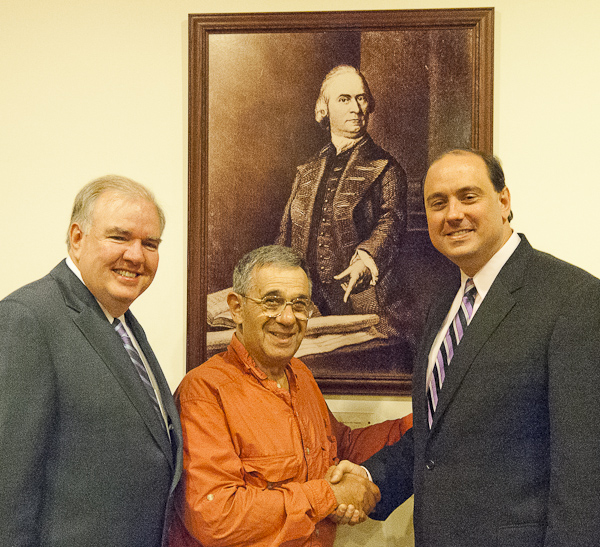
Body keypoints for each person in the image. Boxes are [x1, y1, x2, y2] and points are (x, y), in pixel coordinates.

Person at [334, 149, 600, 546]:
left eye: (468, 196)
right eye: (437, 203)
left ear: (504, 201)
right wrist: (369, 478)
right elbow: (436, 439)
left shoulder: (573, 298)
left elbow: (584, 469)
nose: (452, 214)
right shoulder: (445, 301)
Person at [168, 245, 412, 547]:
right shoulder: (203, 392)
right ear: (236, 308)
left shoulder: (300, 375)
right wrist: (330, 495)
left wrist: (423, 425)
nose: (287, 318)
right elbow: (215, 516)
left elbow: (342, 446)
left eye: (299, 305)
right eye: (272, 301)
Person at [0, 175, 183, 546]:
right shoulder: (29, 318)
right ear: (78, 238)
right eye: (120, 237)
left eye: (150, 243)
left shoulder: (122, 322)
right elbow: (9, 484)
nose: (136, 255)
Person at [277, 65, 407, 337]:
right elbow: (285, 232)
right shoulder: (307, 170)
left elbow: (391, 221)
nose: (356, 109)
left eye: (361, 98)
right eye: (344, 99)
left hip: (363, 304)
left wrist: (366, 259)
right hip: (306, 303)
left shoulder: (386, 167)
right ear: (325, 108)